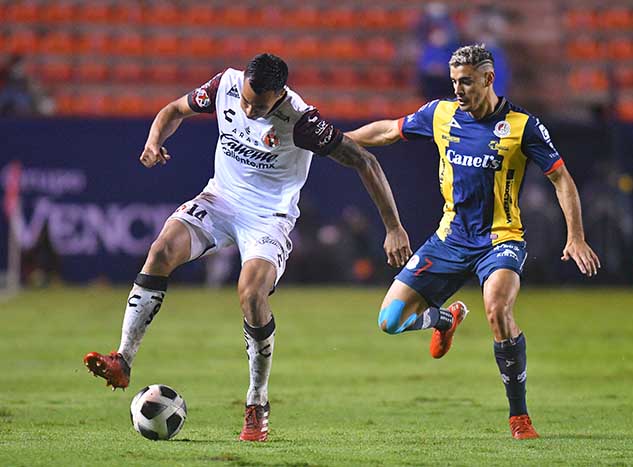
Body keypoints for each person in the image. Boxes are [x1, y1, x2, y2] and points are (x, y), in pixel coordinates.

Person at [83, 53, 411, 442]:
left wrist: (394, 227)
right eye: (247, 100)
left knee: (251, 293)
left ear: (280, 95)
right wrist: (154, 141)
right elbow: (173, 110)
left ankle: (257, 402)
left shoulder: (302, 121)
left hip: (269, 217)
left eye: (260, 105)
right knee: (160, 252)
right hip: (219, 200)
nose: (249, 108)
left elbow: (365, 161)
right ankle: (122, 359)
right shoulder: (225, 85)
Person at [346, 44, 600, 440]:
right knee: (389, 322)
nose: (458, 90)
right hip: (449, 240)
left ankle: (519, 418)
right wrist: (337, 141)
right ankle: (445, 319)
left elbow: (561, 178)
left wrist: (576, 236)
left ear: (488, 78)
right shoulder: (441, 114)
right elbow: (388, 130)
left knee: (497, 309)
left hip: (501, 240)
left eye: (465, 82)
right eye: (454, 82)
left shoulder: (523, 126)